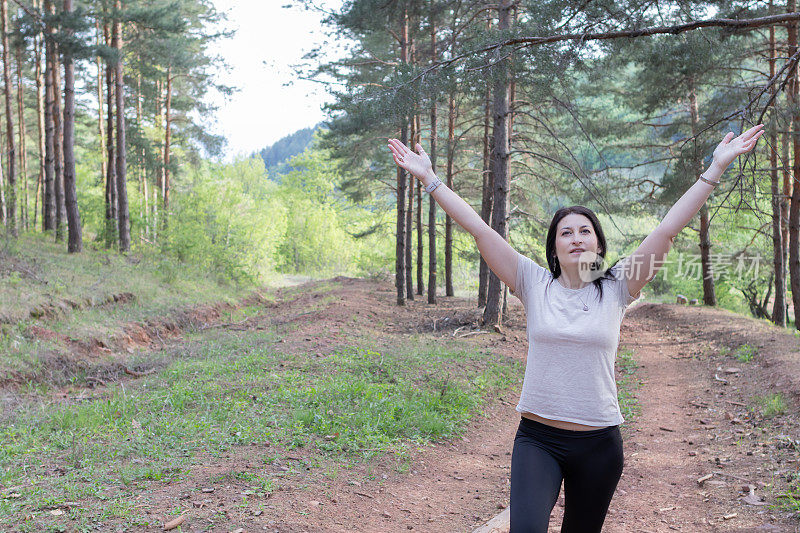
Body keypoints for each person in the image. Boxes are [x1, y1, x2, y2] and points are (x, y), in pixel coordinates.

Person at [386, 122, 765, 533]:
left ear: (599, 245)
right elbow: (479, 229)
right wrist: (430, 179)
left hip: (599, 444)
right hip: (537, 440)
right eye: (566, 232)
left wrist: (716, 168)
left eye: (586, 231)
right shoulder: (531, 281)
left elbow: (667, 229)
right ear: (554, 248)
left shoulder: (619, 284)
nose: (577, 238)